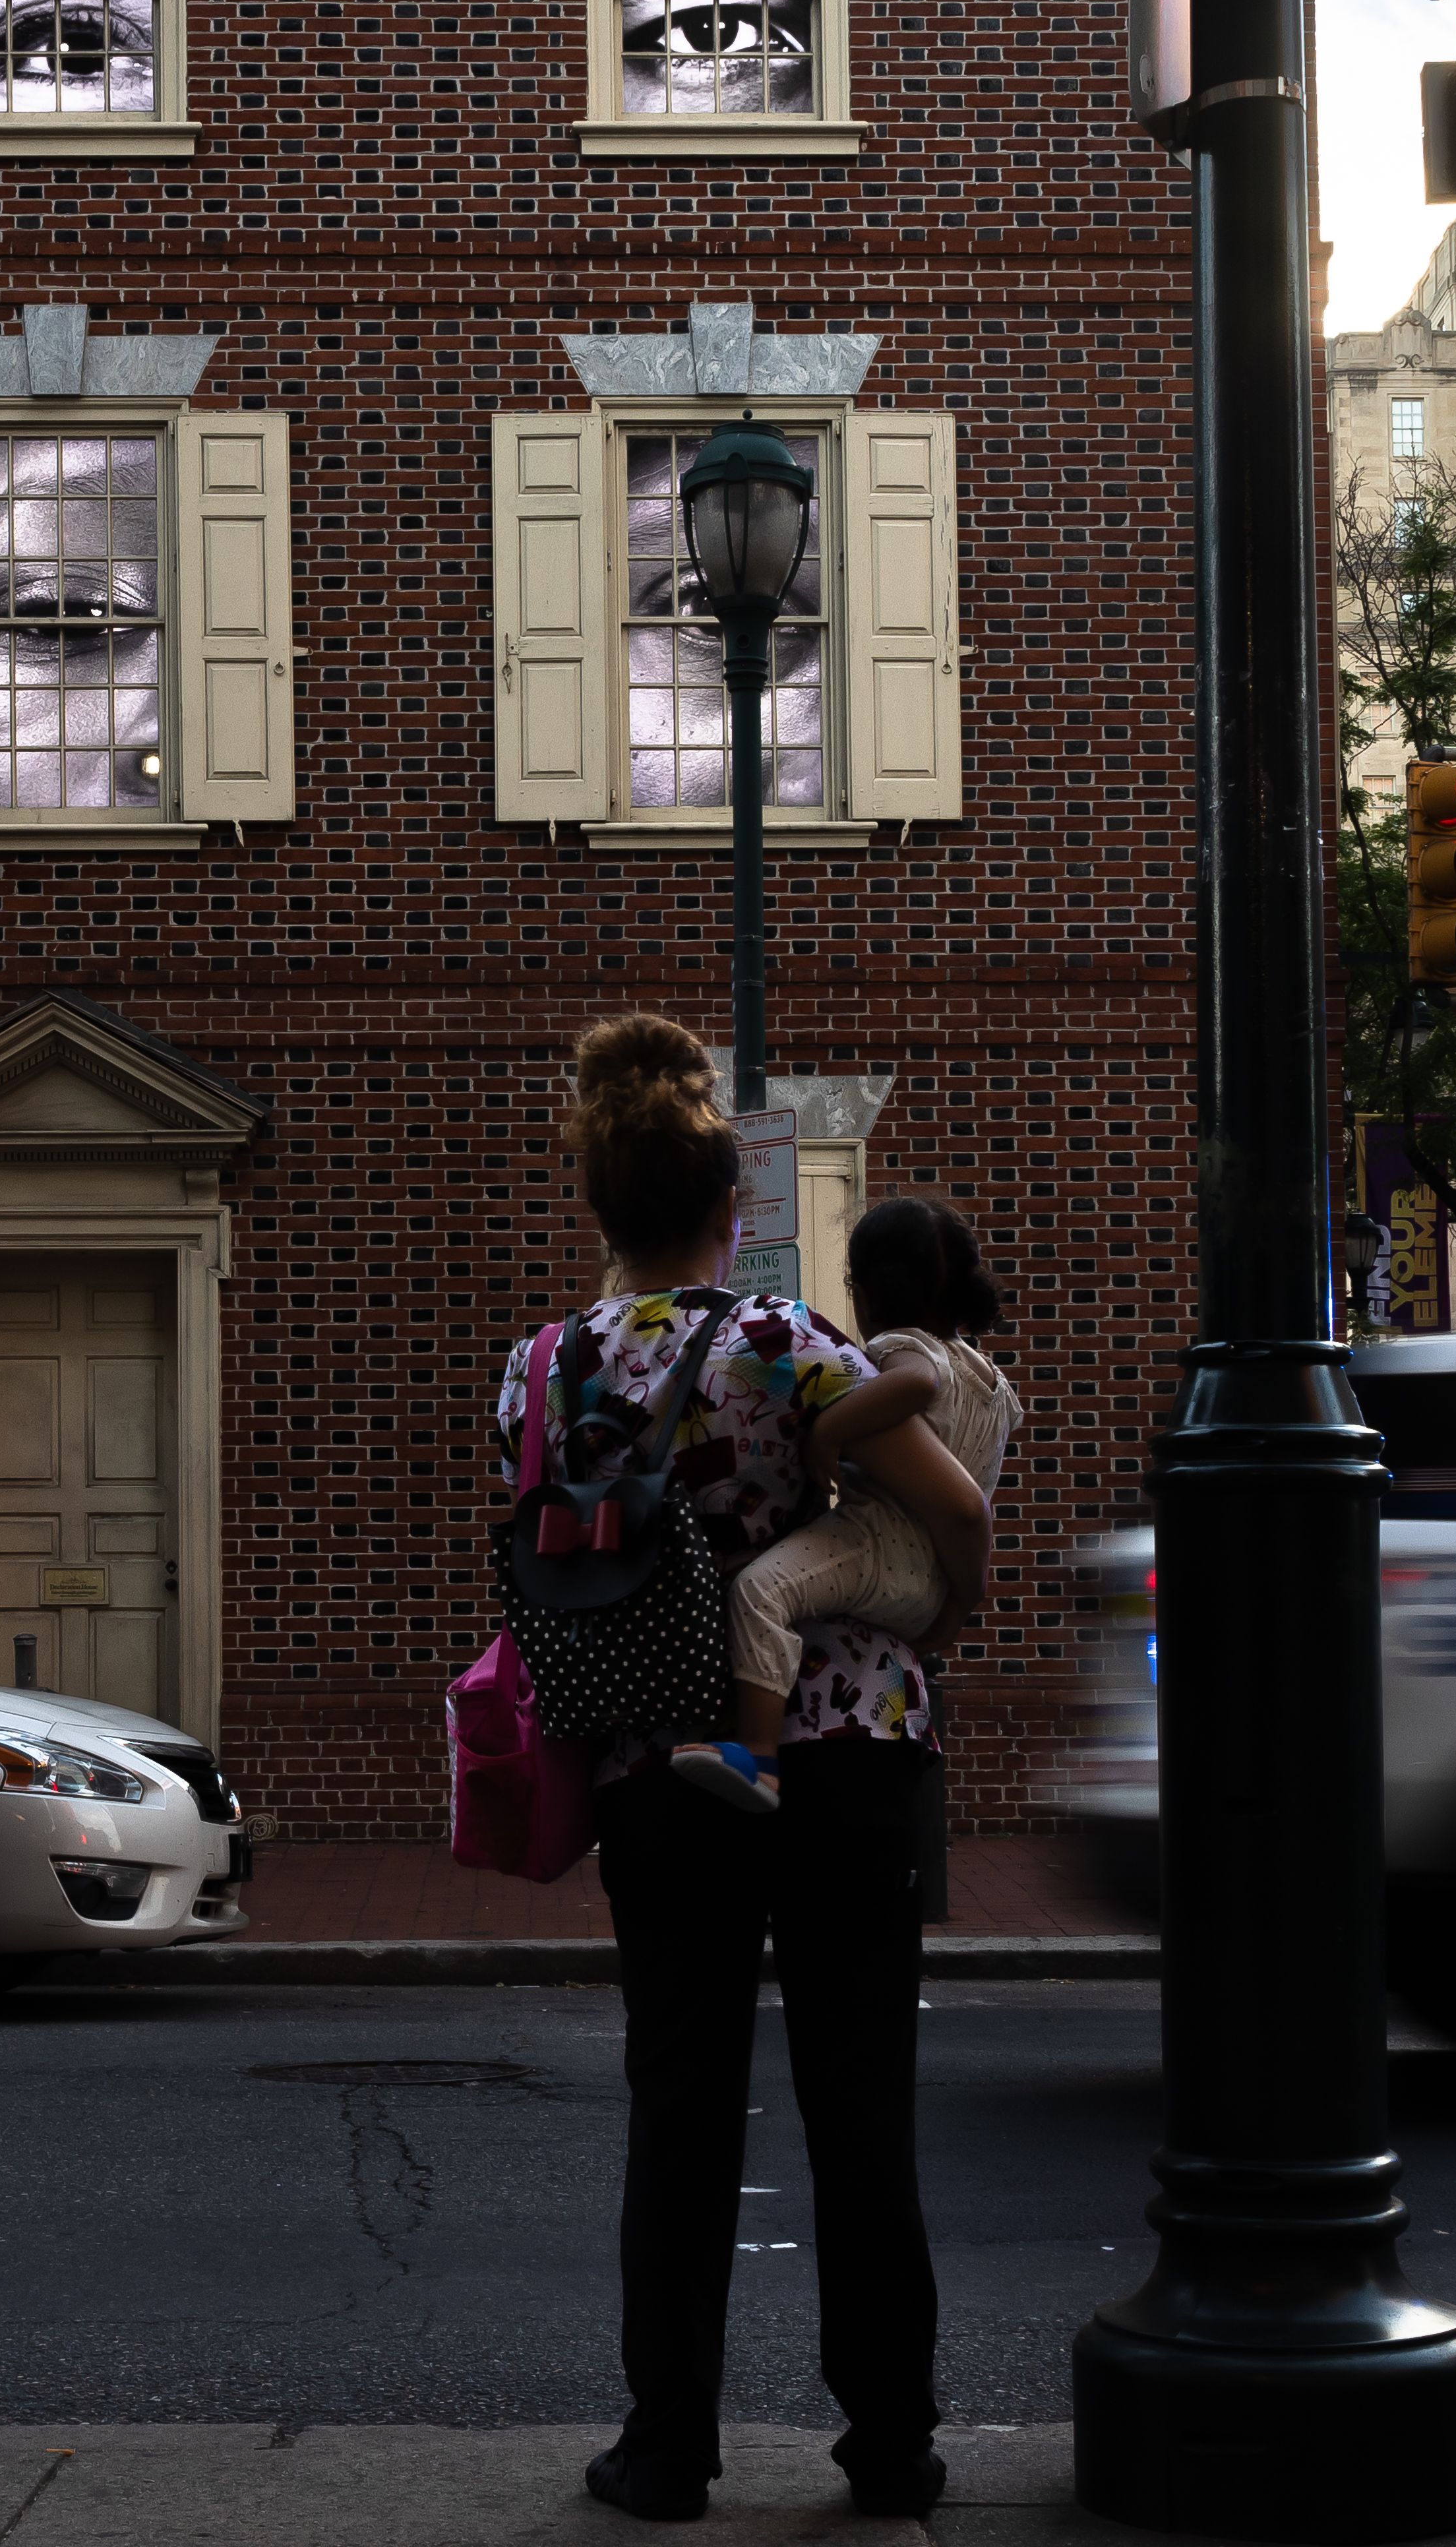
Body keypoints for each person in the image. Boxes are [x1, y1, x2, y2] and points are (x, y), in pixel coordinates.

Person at [495, 1016, 986, 2527]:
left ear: (598, 1203)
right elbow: (946, 1502)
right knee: (860, 2101)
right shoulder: (783, 1340)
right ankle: (889, 2438)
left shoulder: (539, 1369)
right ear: (731, 1207)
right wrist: (946, 1621)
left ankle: (666, 2448)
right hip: (843, 1757)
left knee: (680, 2098)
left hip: (661, 1767)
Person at [670, 1199, 1019, 1817]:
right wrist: (961, 1601)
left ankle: (758, 1756)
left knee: (759, 1593)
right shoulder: (994, 1384)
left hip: (878, 1546)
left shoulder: (905, 1350)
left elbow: (918, 1384)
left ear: (870, 1292)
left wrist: (828, 1432)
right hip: (934, 1581)